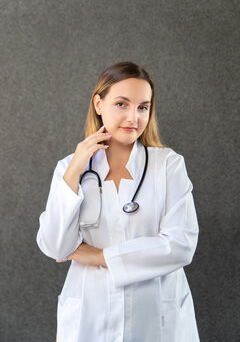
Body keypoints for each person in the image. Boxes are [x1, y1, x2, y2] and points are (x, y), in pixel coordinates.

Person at [36, 61, 200, 342]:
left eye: (143, 107)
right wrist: (75, 170)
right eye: (122, 104)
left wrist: (100, 256)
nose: (133, 118)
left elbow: (180, 245)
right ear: (98, 104)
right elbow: (55, 246)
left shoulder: (168, 165)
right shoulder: (69, 168)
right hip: (90, 312)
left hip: (156, 314)